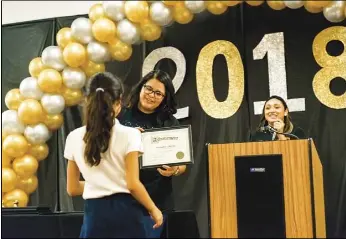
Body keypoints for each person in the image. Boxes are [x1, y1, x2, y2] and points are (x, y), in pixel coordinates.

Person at [64, 72, 163, 238]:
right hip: (126, 214)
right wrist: (153, 209)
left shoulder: (73, 137)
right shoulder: (130, 135)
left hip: (94, 217)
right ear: (118, 104)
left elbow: (72, 189)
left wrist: (99, 183)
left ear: (87, 101)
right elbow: (133, 184)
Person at [117, 69, 187, 238]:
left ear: (165, 98)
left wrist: (175, 170)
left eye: (158, 93)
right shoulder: (120, 115)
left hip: (158, 196)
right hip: (123, 194)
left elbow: (182, 162)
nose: (151, 95)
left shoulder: (169, 122)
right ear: (140, 88)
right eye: (148, 89)